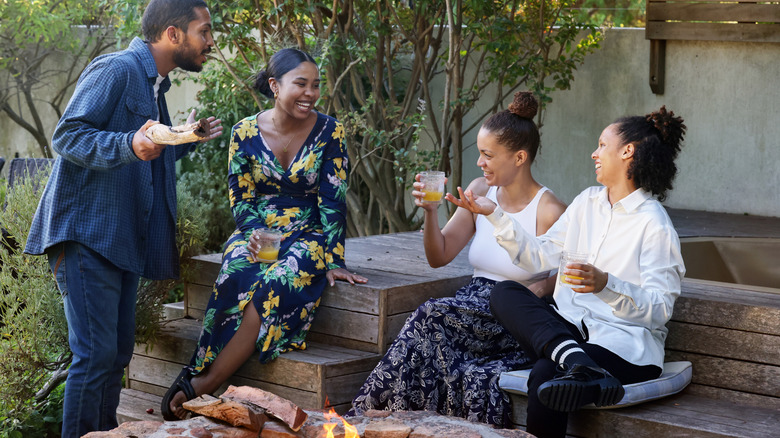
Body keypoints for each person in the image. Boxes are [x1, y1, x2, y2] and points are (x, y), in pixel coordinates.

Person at [23, 0, 223, 436]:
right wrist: (129, 145)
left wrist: (187, 137)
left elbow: (149, 147)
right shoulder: (116, 69)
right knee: (94, 356)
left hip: (120, 240)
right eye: (203, 32)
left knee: (115, 356)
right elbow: (68, 135)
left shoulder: (155, 85)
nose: (210, 41)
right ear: (173, 34)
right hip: (85, 236)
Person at [449, 106, 687, 438]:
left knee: (546, 373)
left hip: (625, 346)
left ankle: (578, 365)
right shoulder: (586, 203)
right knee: (504, 292)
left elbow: (660, 310)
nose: (595, 153)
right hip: (573, 333)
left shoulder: (654, 224)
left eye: (602, 145)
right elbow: (536, 258)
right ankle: (579, 363)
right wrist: (495, 214)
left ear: (627, 151)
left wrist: (606, 285)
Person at [162, 47, 368, 420]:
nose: (310, 94)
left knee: (276, 281)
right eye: (300, 84)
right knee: (234, 275)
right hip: (256, 228)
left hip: (310, 231)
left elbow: (333, 199)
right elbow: (240, 195)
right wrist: (255, 233)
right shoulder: (244, 131)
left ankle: (204, 383)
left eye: (316, 86)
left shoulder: (330, 131)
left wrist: (334, 259)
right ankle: (197, 368)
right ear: (275, 85)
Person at [348, 92, 567, 427]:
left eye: (487, 155)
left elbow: (572, 270)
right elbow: (440, 255)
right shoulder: (481, 190)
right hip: (468, 310)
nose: (479, 162)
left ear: (519, 157)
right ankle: (390, 426)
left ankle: (361, 422)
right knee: (438, 349)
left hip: (510, 320)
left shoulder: (550, 209)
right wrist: (431, 212)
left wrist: (545, 285)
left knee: (430, 315)